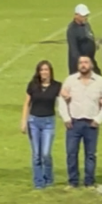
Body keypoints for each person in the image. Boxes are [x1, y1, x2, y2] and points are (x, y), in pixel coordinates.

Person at [58, 56, 102, 188]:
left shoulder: (100, 81)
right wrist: (66, 118)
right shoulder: (70, 80)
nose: (83, 65)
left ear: (91, 65)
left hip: (91, 123)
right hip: (74, 122)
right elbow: (61, 100)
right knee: (71, 153)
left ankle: (89, 181)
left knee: (90, 154)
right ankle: (73, 181)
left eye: (86, 62)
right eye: (81, 63)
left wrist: (98, 120)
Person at [21, 60, 62, 189]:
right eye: (42, 70)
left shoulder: (57, 86)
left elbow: (64, 101)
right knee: (36, 154)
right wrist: (23, 121)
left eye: (46, 70)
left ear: (50, 72)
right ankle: (38, 182)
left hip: (48, 122)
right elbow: (27, 103)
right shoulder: (33, 85)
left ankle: (49, 178)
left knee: (45, 153)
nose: (44, 72)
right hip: (34, 121)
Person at [66, 4, 101, 75]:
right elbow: (73, 50)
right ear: (76, 15)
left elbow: (89, 36)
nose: (85, 18)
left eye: (86, 15)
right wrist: (82, 63)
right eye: (83, 16)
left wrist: (94, 44)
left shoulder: (86, 25)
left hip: (90, 60)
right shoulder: (72, 30)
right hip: (79, 64)